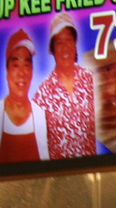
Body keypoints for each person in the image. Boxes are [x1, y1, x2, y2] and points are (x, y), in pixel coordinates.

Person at [0, 29, 48, 166]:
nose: (21, 73)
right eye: (15, 65)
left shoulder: (40, 115)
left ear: (32, 72)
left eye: (26, 65)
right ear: (7, 72)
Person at [33, 12, 96, 160]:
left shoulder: (91, 79)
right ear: (52, 49)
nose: (65, 47)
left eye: (69, 40)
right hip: (60, 177)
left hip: (94, 170)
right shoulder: (42, 94)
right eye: (59, 42)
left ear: (75, 44)